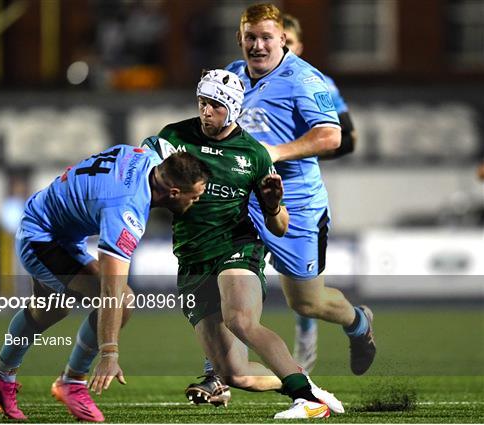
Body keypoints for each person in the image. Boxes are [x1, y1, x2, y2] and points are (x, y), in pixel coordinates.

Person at [188, 4, 376, 418]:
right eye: (251, 37)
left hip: (298, 206)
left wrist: (273, 152)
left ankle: (357, 322)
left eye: (266, 37)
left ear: (282, 40)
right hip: (242, 204)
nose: (258, 45)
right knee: (228, 288)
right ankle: (218, 373)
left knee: (307, 303)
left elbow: (332, 136)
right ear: (240, 39)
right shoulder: (230, 77)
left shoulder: (305, 79)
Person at [143, 69, 344, 419]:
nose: (206, 111)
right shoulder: (174, 137)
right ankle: (303, 384)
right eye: (203, 103)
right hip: (192, 257)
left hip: (237, 246)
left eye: (216, 106)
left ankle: (309, 403)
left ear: (234, 109)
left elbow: (279, 228)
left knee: (240, 320)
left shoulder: (252, 154)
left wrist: (273, 205)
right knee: (236, 374)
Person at [0, 146, 210, 422]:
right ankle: (72, 381)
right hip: (42, 237)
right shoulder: (125, 209)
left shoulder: (147, 157)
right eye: (194, 197)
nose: (196, 201)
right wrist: (109, 352)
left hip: (52, 221)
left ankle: (0, 374)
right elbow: (110, 291)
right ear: (173, 192)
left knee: (50, 310)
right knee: (123, 300)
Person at [283, 12, 358, 371]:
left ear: (298, 46)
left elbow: (346, 139)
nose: (278, 48)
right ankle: (215, 371)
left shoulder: (316, 82)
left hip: (299, 195)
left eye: (287, 42)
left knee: (306, 297)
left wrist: (301, 152)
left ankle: (310, 340)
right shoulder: (244, 78)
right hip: (249, 195)